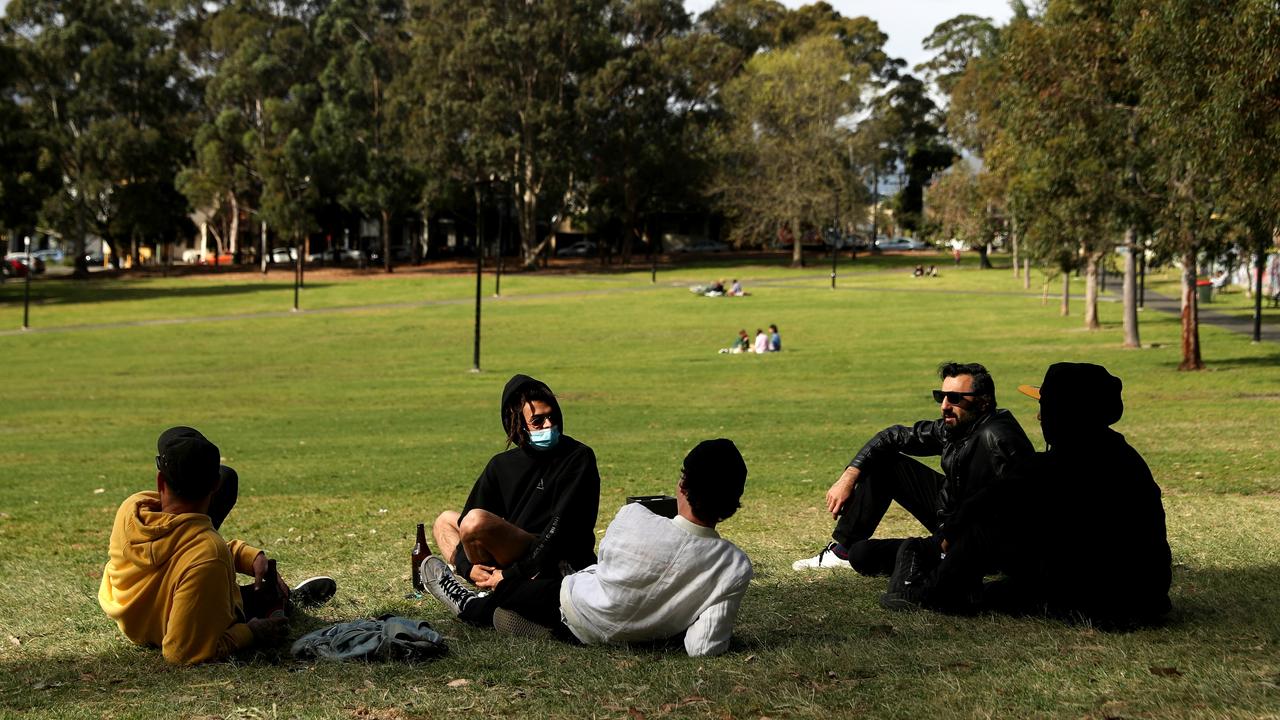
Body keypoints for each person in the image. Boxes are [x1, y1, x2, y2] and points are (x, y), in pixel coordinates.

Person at [419, 439, 753, 657]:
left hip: (574, 607)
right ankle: (523, 618)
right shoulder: (734, 566)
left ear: (682, 485)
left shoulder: (635, 517)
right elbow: (703, 647)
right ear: (733, 503)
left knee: (506, 589)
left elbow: (603, 573)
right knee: (525, 589)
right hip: (622, 632)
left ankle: (469, 604)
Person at [792, 362, 1034, 612]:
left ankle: (943, 558)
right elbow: (892, 436)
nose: (944, 406)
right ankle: (842, 551)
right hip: (951, 518)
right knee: (861, 550)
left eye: (954, 398)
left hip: (974, 535)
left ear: (983, 402)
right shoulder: (958, 426)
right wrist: (849, 475)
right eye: (941, 396)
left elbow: (1017, 504)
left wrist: (958, 549)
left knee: (885, 555)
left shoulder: (998, 438)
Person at [98, 427, 336, 665]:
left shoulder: (133, 508)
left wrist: (246, 556)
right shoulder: (210, 554)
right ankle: (282, 602)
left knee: (229, 479)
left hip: (132, 613)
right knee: (261, 600)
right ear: (214, 485)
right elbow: (181, 652)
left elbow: (183, 547)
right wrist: (251, 632)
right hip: (162, 628)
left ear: (161, 479)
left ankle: (274, 598)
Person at [984, 363, 1171, 627]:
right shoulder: (1124, 457)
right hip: (1146, 597)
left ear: (1060, 413)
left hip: (1097, 602)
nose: (1039, 417)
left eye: (1044, 407)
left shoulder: (1054, 467)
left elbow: (988, 507)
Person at [432, 374, 600, 592]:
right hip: (511, 549)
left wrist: (515, 572)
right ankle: (485, 580)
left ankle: (498, 587)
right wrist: (466, 568)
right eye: (538, 421)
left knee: (476, 522)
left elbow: (561, 531)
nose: (548, 425)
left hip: (554, 555)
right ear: (518, 425)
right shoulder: (501, 465)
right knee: (445, 521)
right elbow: (466, 518)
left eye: (552, 417)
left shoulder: (577, 457)